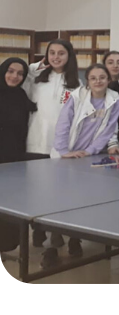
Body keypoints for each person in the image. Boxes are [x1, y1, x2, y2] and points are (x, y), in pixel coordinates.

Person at [45, 63, 119, 266]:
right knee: (59, 202)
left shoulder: (114, 98)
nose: (98, 81)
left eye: (102, 77)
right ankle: (52, 246)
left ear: (109, 79)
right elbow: (63, 124)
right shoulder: (77, 96)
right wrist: (64, 152)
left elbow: (108, 130)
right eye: (93, 78)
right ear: (87, 81)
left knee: (80, 201)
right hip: (65, 155)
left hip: (87, 157)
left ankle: (74, 239)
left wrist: (89, 152)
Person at [21, 40, 81, 251]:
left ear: (69, 56)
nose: (56, 57)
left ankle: (57, 233)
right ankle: (39, 228)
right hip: (35, 142)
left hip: (61, 147)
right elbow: (23, 72)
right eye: (52, 53)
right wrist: (39, 64)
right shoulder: (36, 79)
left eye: (61, 53)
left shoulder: (77, 84)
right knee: (37, 191)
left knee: (60, 194)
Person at [0, 58, 37, 255]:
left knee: (11, 202)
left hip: (15, 158)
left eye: (20, 73)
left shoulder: (21, 94)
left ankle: (7, 244)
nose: (15, 76)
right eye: (11, 71)